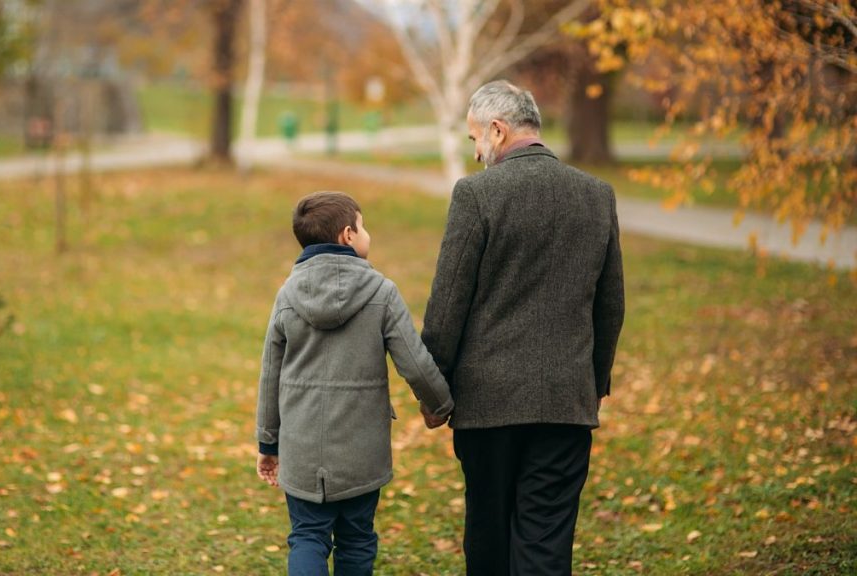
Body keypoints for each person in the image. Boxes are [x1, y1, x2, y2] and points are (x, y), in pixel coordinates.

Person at [421, 80, 625, 575]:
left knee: (489, 535)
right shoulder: (597, 194)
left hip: (487, 405)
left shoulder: (476, 195)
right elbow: (611, 304)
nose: (475, 153)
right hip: (565, 403)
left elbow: (448, 305)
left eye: (475, 140)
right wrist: (592, 384)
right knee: (546, 541)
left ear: (497, 129)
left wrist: (434, 391)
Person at [255, 191, 454, 575]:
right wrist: (440, 405)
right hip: (361, 451)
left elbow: (270, 374)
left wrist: (268, 442)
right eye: (364, 226)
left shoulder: (288, 295)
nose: (367, 233)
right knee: (357, 538)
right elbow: (414, 362)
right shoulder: (381, 292)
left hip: (302, 448)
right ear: (348, 235)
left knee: (308, 535)